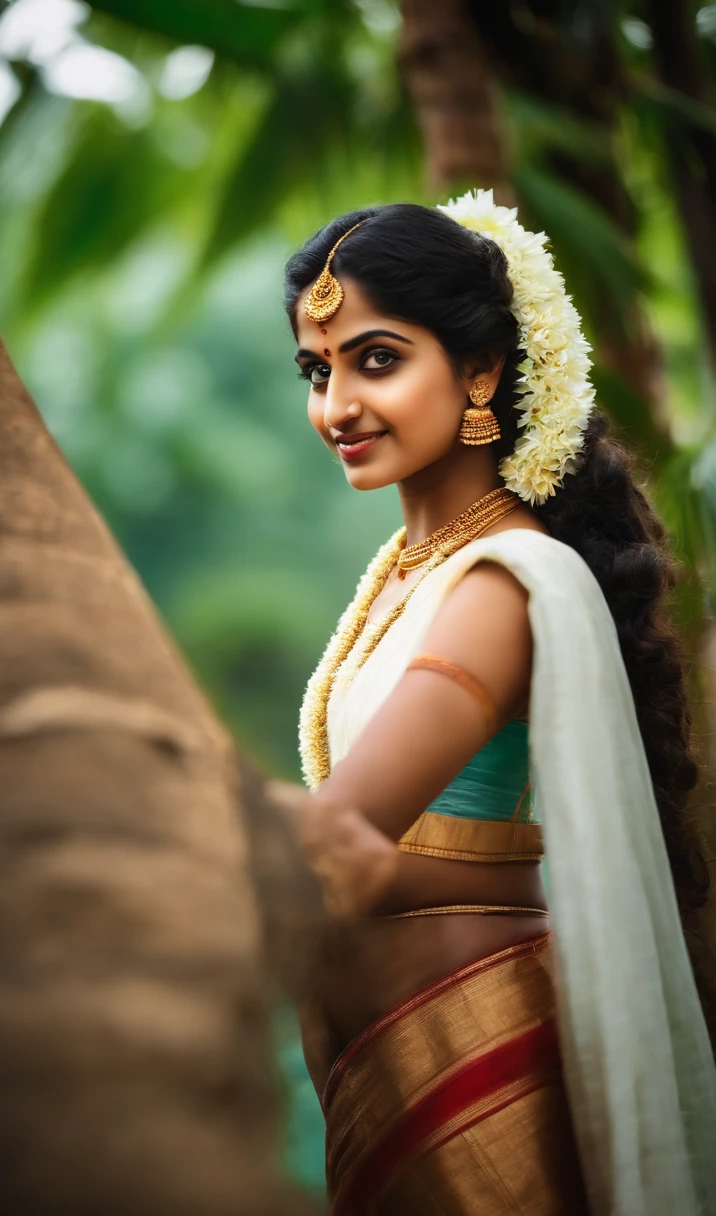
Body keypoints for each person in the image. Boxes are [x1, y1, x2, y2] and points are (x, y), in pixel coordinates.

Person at [283, 191, 716, 1215]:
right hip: (379, 1069)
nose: (335, 405)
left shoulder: (499, 583)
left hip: (470, 1059)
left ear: (481, 369)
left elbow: (339, 833)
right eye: (317, 368)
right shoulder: (406, 572)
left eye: (375, 359)